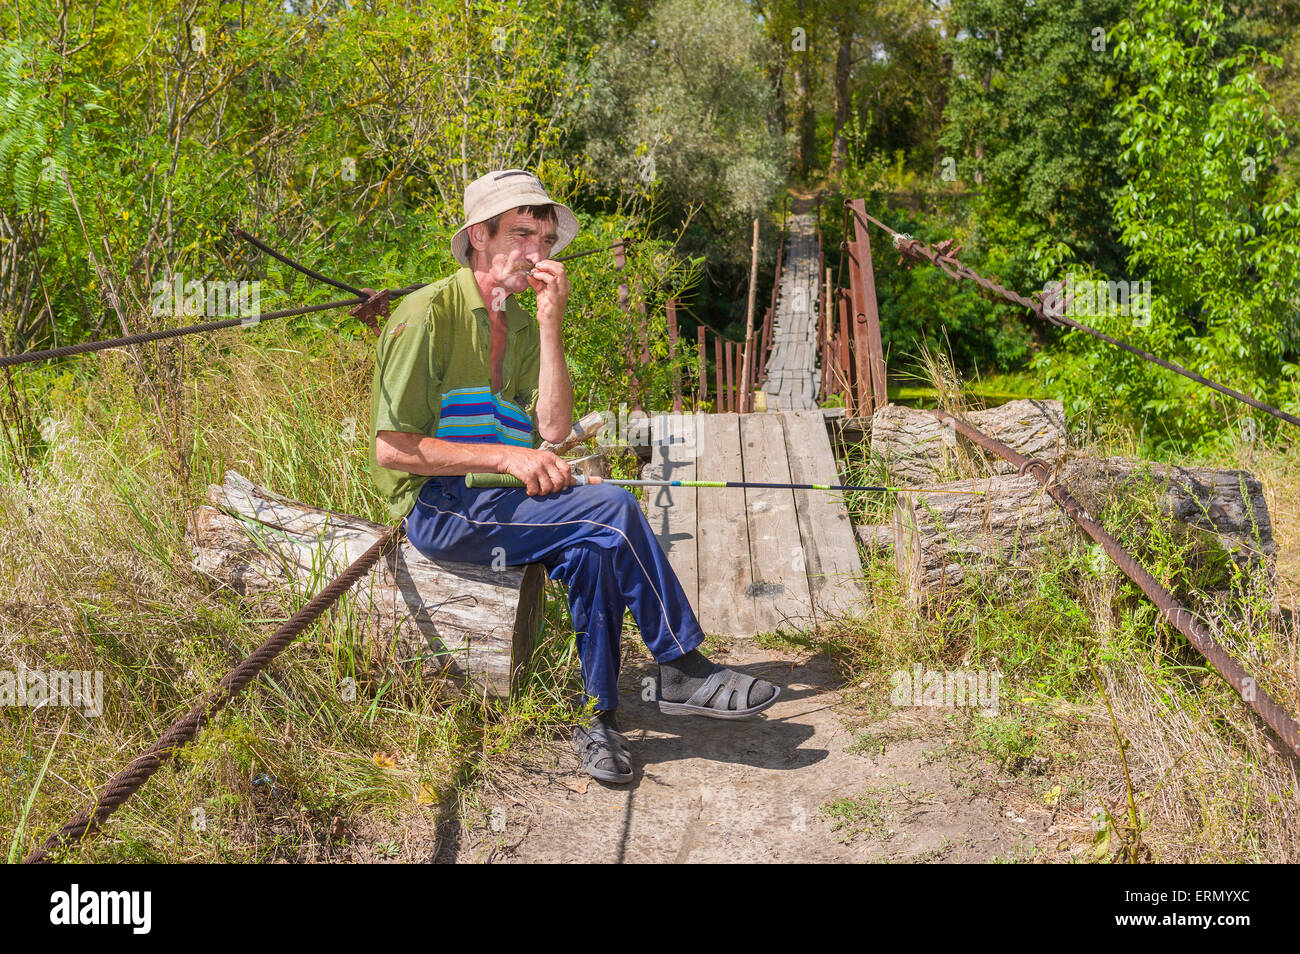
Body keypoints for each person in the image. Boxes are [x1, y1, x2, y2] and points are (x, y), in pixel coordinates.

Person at [368, 169, 779, 784]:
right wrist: (509, 458)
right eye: (523, 235)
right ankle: (682, 668)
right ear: (478, 235)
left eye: (548, 242)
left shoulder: (528, 322)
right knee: (611, 507)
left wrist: (553, 322)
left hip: (504, 502)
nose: (539, 254)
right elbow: (391, 449)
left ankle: (600, 722)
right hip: (441, 506)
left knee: (593, 548)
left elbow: (554, 429)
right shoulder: (427, 312)